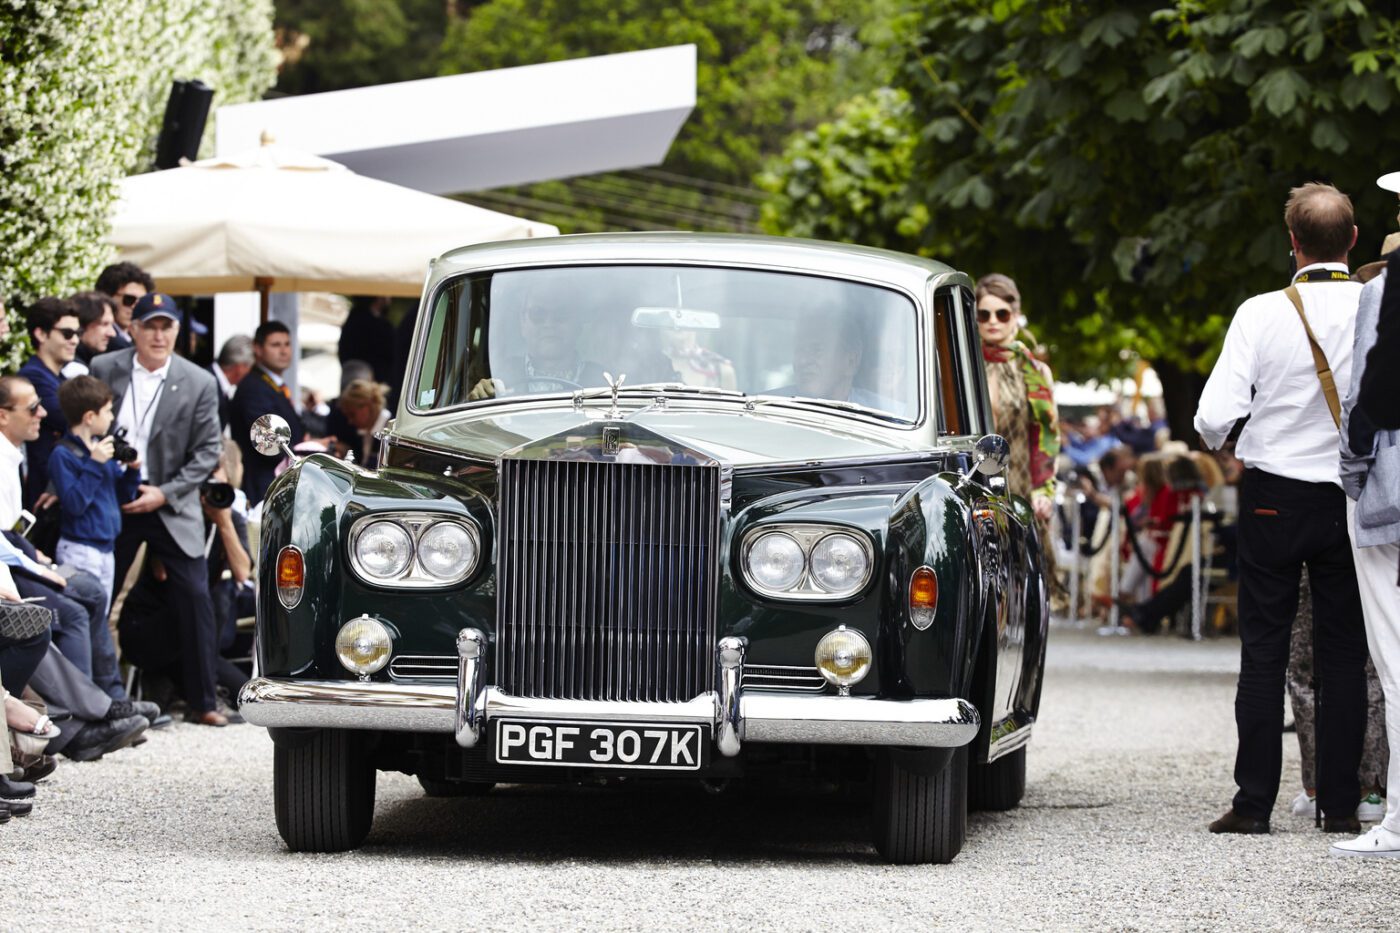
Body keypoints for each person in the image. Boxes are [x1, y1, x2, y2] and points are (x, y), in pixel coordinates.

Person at [1194, 182, 1370, 835]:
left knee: (1263, 648)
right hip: (1350, 492)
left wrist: (1228, 443)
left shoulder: (1261, 311)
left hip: (1273, 493)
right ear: (1353, 239)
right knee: (1344, 651)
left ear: (1291, 242)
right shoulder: (1377, 307)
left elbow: (1213, 415)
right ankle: (1342, 804)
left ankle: (1252, 804)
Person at [91, 292, 227, 726]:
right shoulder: (103, 367)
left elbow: (207, 453)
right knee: (100, 591)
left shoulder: (198, 380)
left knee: (195, 595)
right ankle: (92, 697)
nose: (157, 335)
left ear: (176, 331)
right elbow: (84, 430)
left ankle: (204, 700)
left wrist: (165, 493)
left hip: (170, 500)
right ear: (132, 329)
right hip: (117, 495)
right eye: (149, 325)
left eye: (165, 326)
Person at [1332, 232, 1400, 857]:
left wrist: (1354, 479)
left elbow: (1367, 394)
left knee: (1395, 656)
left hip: (1392, 494)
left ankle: (1399, 818)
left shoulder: (1383, 289)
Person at [48, 376, 143, 622]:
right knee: (84, 618)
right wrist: (95, 464)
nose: (111, 418)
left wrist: (133, 471)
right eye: (108, 411)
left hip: (107, 548)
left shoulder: (101, 447)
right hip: (80, 548)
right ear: (90, 417)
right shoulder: (63, 454)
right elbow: (74, 504)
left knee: (101, 618)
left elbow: (122, 496)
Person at [974, 274, 1060, 522]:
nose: (993, 321)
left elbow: (1046, 434)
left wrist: (1044, 491)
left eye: (1001, 314)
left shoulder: (1034, 371)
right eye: (984, 315)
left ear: (1015, 315)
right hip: (974, 488)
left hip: (1022, 491)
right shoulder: (963, 367)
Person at [229, 321, 304, 505]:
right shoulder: (254, 388)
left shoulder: (271, 384)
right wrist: (307, 449)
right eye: (276, 345)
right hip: (263, 487)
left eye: (287, 344)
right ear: (258, 349)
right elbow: (269, 441)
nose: (284, 351)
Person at [468, 301, 606, 400]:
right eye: (537, 314)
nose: (549, 323)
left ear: (578, 323)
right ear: (523, 322)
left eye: (561, 314)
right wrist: (477, 398)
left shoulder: (605, 383)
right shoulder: (490, 376)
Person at [18, 297, 80, 508]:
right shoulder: (32, 378)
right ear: (41, 334)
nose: (75, 340)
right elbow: (74, 421)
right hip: (42, 495)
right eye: (67, 333)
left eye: (77, 333)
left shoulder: (58, 378)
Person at [94, 261, 154, 353]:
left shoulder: (139, 338)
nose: (135, 306)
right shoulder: (99, 339)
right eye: (129, 299)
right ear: (107, 297)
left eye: (142, 301)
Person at [333, 379, 391, 467]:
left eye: (352, 415)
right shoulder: (365, 433)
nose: (350, 421)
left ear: (366, 407)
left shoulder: (390, 432)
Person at [212, 335, 254, 430]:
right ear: (240, 367)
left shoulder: (221, 389)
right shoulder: (208, 387)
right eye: (251, 368)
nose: (252, 375)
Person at [70, 291, 118, 370]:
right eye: (104, 324)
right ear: (81, 325)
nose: (112, 333)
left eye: (112, 325)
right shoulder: (71, 368)